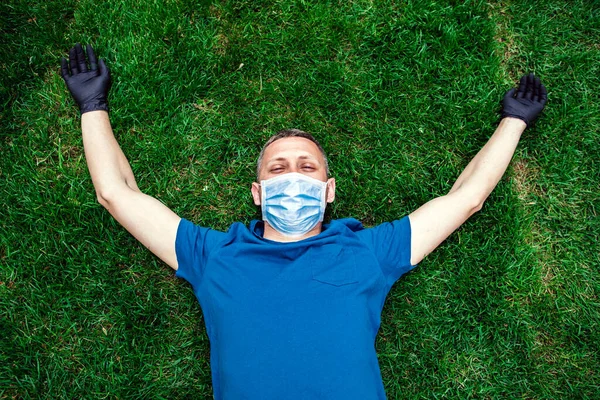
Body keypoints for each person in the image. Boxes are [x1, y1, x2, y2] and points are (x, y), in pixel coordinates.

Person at [61, 43, 547, 399]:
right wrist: (92, 106)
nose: (292, 176)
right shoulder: (213, 255)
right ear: (257, 193)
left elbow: (466, 199)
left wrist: (514, 121)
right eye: (278, 169)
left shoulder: (369, 251)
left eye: (307, 167)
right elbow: (115, 194)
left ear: (329, 190)